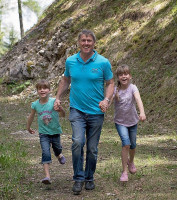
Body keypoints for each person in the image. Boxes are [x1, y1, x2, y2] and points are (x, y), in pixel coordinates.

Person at [54, 29, 114, 195]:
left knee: (93, 149)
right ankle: (78, 178)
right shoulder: (71, 61)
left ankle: (89, 177)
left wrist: (106, 100)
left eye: (89, 40)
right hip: (77, 110)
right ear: (79, 43)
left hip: (96, 111)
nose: (86, 43)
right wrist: (58, 97)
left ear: (94, 43)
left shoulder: (103, 62)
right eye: (83, 40)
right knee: (78, 142)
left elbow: (110, 83)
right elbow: (66, 80)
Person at [109, 64, 146, 182]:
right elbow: (109, 102)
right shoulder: (115, 89)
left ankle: (131, 161)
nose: (123, 76)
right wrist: (104, 105)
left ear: (130, 76)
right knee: (126, 144)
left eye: (126, 74)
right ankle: (124, 171)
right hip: (120, 122)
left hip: (133, 121)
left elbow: (138, 99)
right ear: (118, 77)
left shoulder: (133, 88)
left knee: (133, 145)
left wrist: (142, 112)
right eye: (121, 75)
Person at [27, 79, 66, 185]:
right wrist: (28, 127)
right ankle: (47, 176)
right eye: (40, 88)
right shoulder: (35, 104)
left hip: (55, 131)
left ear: (49, 90)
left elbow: (63, 115)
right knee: (45, 152)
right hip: (43, 133)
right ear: (37, 91)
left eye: (45, 88)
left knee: (57, 148)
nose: (42, 90)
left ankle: (59, 155)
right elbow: (31, 116)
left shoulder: (54, 102)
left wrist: (61, 110)